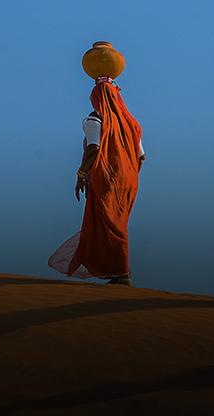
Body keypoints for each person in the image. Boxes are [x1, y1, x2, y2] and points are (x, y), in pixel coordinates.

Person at [48, 76, 146, 286]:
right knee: (117, 223)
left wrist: (81, 174)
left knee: (109, 224)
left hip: (106, 178)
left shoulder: (95, 119)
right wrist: (128, 174)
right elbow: (142, 157)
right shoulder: (131, 124)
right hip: (129, 180)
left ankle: (121, 272)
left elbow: (94, 148)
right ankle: (118, 271)